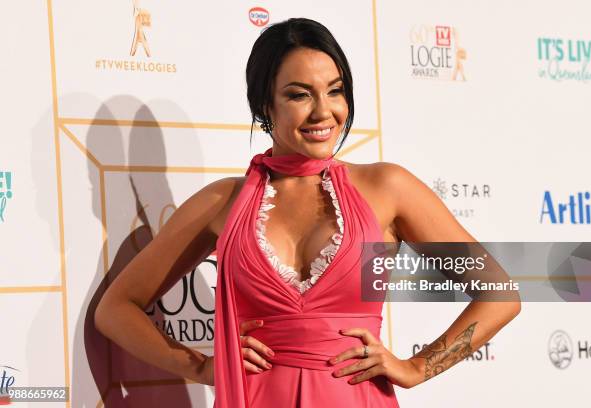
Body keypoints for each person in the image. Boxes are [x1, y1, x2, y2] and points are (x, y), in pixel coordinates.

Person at [95, 17, 521, 407]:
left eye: (335, 91)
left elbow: (499, 295)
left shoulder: (387, 188)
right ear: (265, 105)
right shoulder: (222, 203)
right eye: (299, 95)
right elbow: (116, 309)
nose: (324, 112)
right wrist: (203, 366)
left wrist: (416, 367)